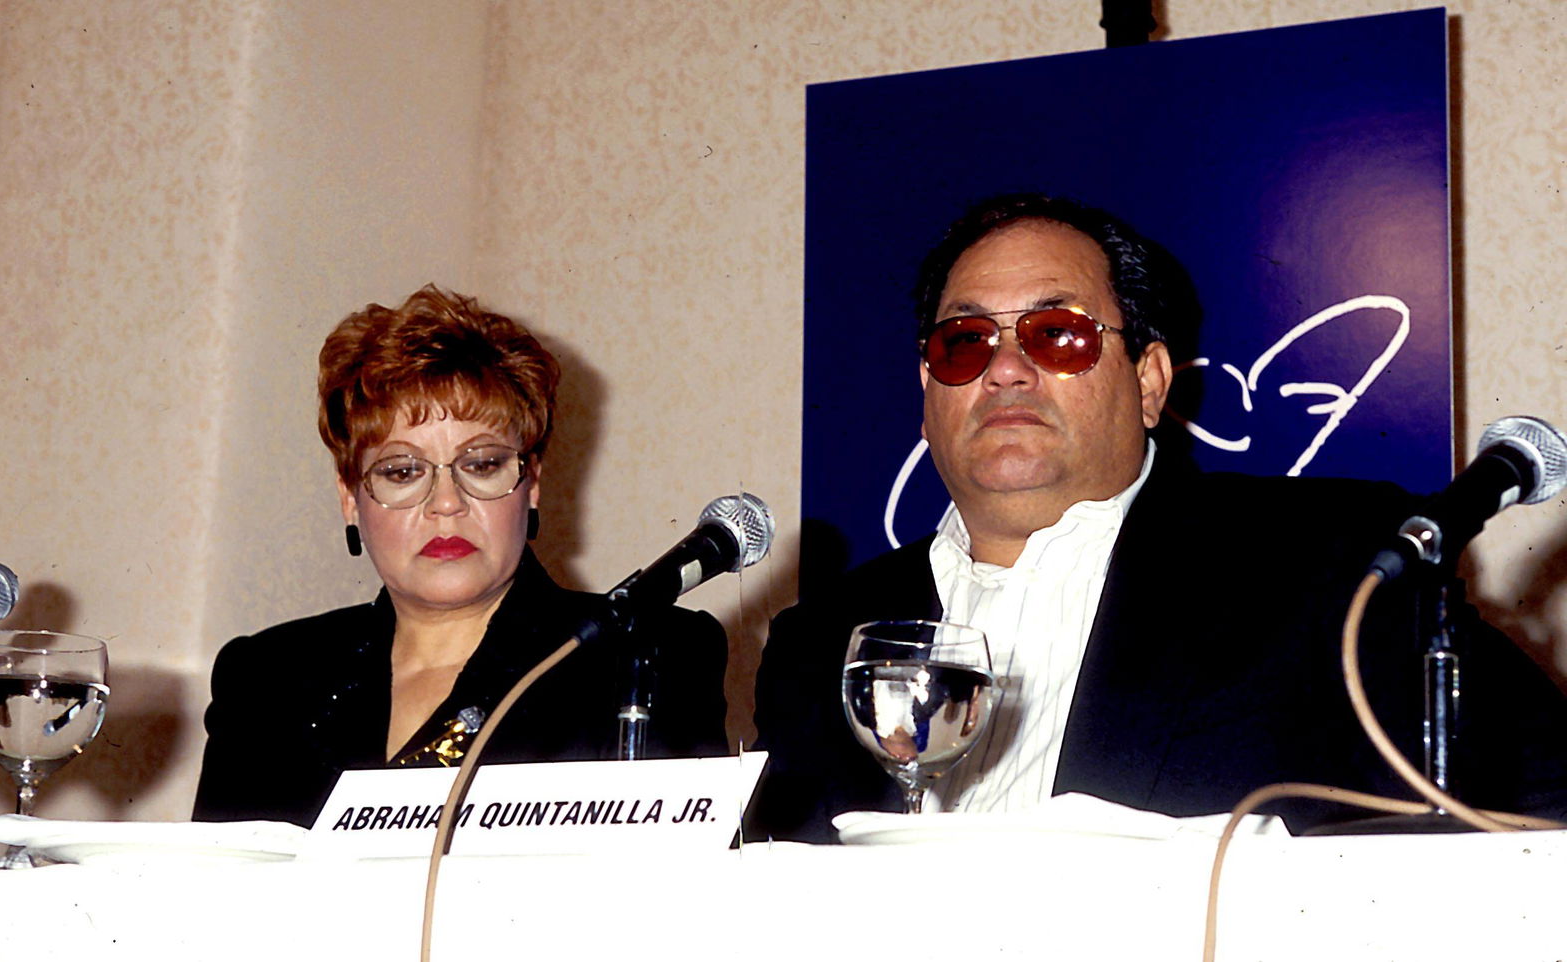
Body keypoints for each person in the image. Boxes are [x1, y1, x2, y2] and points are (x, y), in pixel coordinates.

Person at [748, 194, 1567, 842]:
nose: (1005, 369)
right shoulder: (819, 641)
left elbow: (1544, 795)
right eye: (964, 343)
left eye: (1057, 333)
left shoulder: (1330, 563)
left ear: (1148, 382)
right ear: (928, 397)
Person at [195, 285, 728, 827]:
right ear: (349, 498)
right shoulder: (264, 678)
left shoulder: (649, 654)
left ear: (532, 483)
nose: (446, 504)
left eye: (481, 465)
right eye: (402, 472)